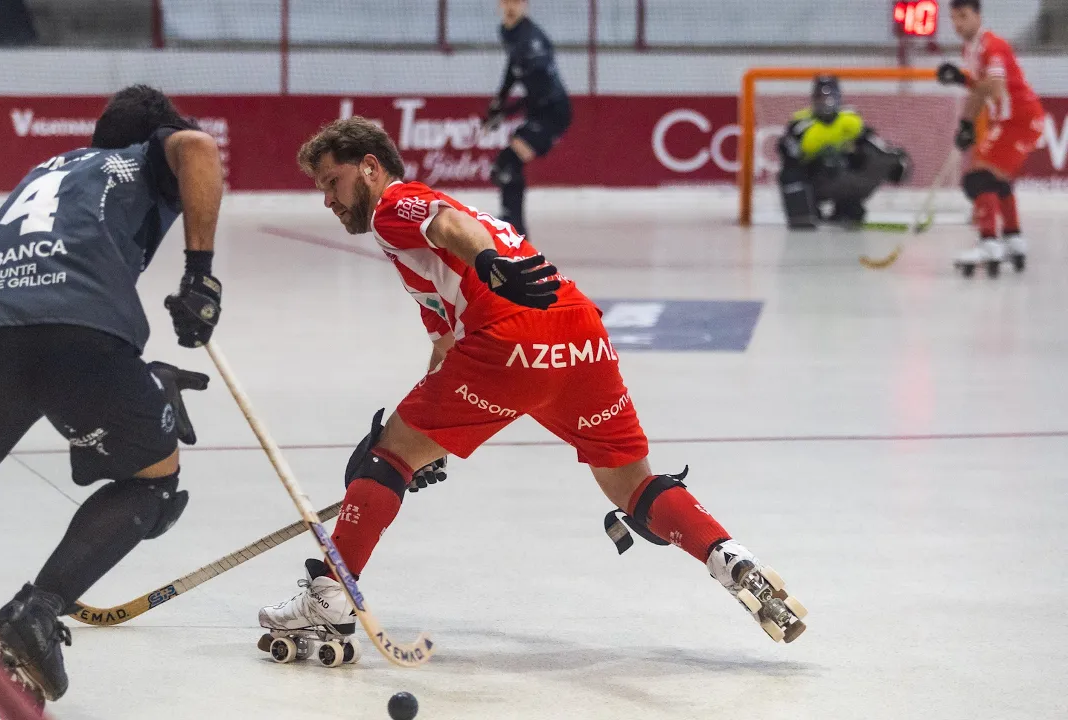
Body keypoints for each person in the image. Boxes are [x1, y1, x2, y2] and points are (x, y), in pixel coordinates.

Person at [257, 117, 808, 658]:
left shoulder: (393, 205)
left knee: (385, 456)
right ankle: (728, 557)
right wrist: (431, 441)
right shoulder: (425, 260)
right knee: (629, 483)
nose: (328, 200)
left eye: (332, 182)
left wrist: (487, 263)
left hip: (511, 340)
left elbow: (447, 224)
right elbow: (447, 346)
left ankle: (329, 595)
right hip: (579, 332)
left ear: (370, 168)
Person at [0, 85, 225, 703]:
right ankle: (37, 610)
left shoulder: (48, 169)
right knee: (153, 484)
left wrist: (142, 382)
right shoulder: (144, 153)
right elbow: (198, 147)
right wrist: (200, 275)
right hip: (82, 329)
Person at [940, 0, 1045, 278]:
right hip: (1010, 121)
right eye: (954, 19)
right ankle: (1013, 239)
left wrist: (964, 86)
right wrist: (965, 122)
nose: (958, 24)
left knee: (978, 180)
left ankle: (989, 244)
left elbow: (996, 90)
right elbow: (980, 91)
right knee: (996, 181)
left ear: (977, 15)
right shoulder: (970, 49)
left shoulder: (992, 46)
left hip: (1019, 121)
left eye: (963, 16)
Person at [483, 0, 572, 238]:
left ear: (526, 5)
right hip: (539, 110)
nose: (511, 6)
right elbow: (512, 67)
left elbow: (540, 92)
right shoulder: (507, 31)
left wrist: (506, 111)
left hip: (553, 113)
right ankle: (513, 225)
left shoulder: (533, 41)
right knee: (506, 165)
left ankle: (515, 228)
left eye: (517, 1)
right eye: (507, 1)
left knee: (508, 163)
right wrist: (499, 102)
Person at [777, 76, 911, 230]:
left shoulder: (850, 120)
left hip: (843, 177)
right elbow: (787, 156)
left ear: (838, 97)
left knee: (872, 159)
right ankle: (803, 213)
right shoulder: (801, 126)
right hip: (815, 179)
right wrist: (818, 161)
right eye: (821, 97)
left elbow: (874, 144)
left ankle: (848, 207)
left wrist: (893, 162)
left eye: (830, 97)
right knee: (790, 175)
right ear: (814, 99)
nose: (826, 103)